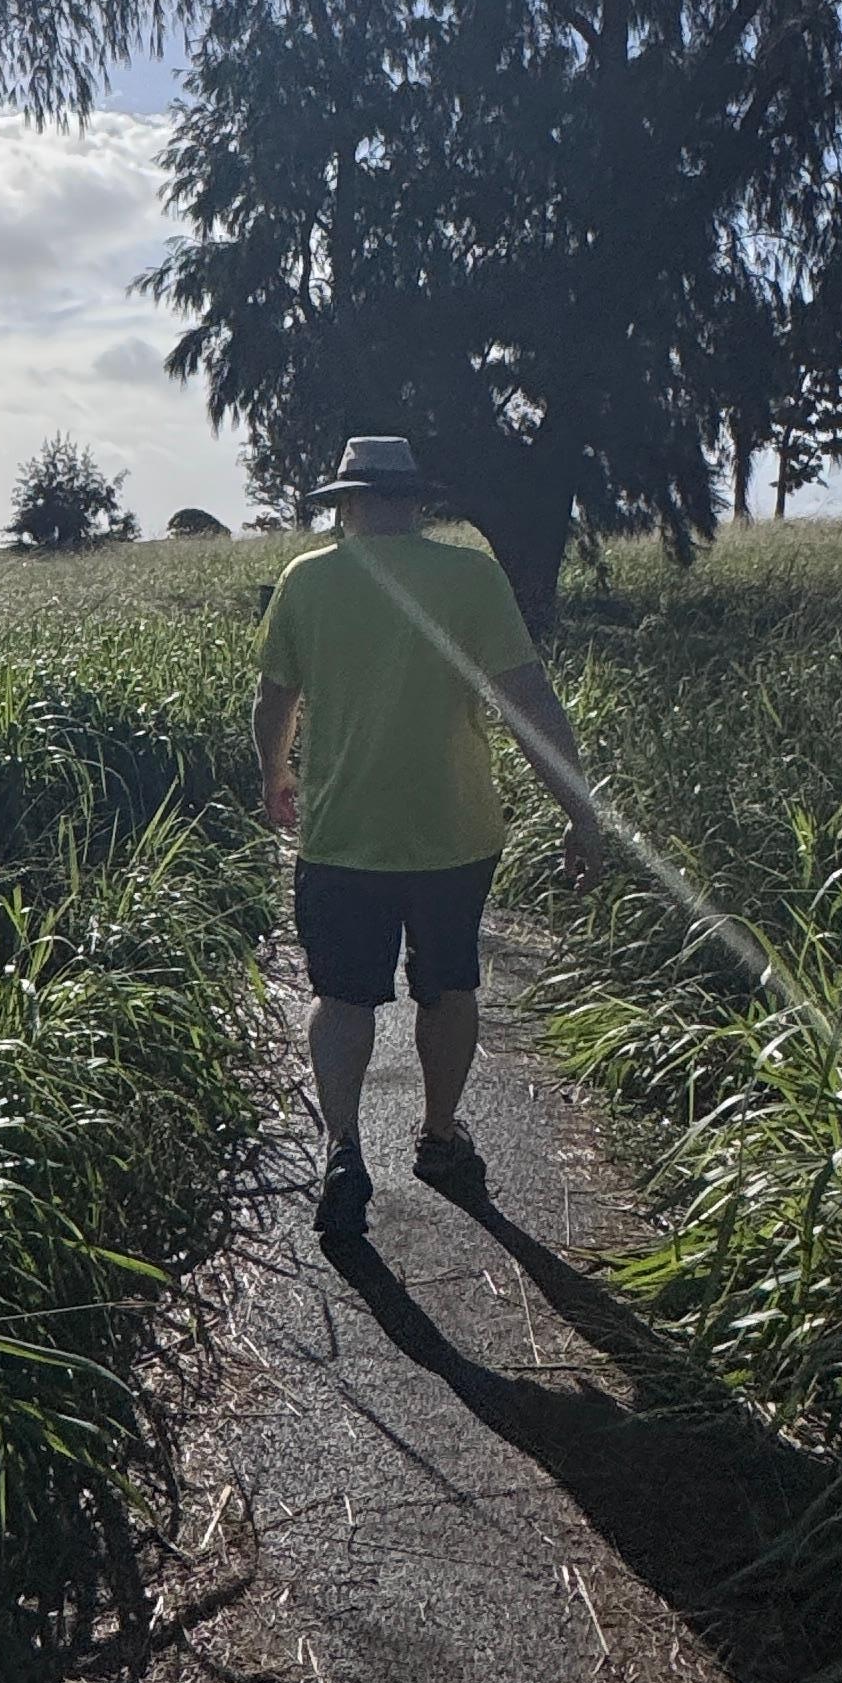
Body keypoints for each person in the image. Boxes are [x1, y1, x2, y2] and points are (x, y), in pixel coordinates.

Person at [251, 435, 606, 1242]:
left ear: (345, 503)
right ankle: (440, 1139)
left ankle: (344, 1150)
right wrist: (579, 812)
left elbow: (274, 702)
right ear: (416, 502)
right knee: (448, 988)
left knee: (342, 999)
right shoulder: (472, 577)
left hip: (341, 835)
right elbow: (529, 702)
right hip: (455, 832)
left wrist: (275, 775)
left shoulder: (308, 579)